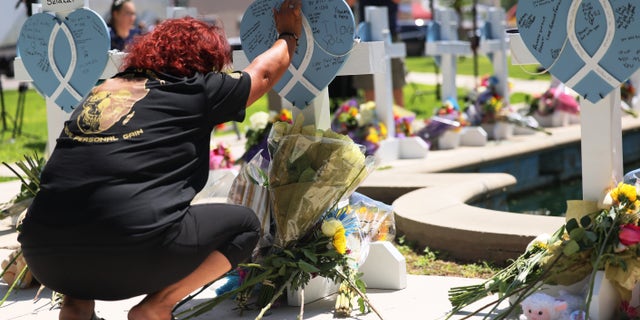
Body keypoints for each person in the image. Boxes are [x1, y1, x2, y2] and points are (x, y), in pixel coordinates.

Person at [17, 1, 302, 319]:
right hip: (131, 252)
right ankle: (157, 307)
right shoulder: (192, 89)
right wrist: (289, 34)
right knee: (245, 226)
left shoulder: (103, 91)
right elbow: (261, 75)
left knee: (85, 206)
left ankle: (75, 308)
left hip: (44, 256)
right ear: (204, 60)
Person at [347, 0, 406, 107]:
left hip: (390, 35)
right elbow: (349, 3)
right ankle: (371, 118)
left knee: (396, 82)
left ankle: (402, 120)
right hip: (367, 36)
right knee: (369, 84)